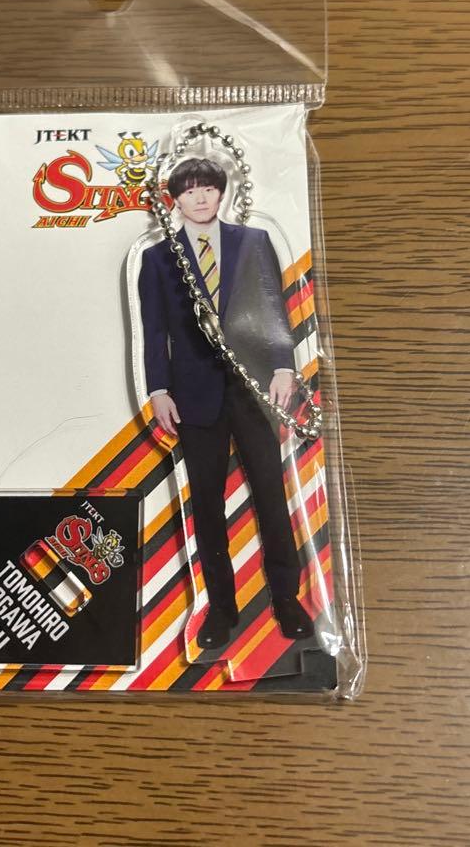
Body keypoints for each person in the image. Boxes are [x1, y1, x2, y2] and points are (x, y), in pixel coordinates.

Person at [137, 156, 314, 650]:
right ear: (175, 199)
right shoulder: (158, 259)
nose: (199, 198)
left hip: (254, 389)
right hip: (192, 396)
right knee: (208, 505)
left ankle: (287, 598)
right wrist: (158, 391)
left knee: (271, 494)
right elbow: (154, 332)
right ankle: (220, 607)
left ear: (222, 192)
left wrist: (284, 366)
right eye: (189, 190)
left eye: (208, 188)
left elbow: (273, 308)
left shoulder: (253, 241)